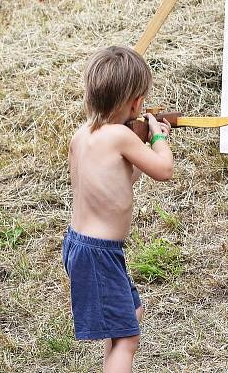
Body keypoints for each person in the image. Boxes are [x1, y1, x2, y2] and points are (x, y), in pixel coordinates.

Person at [63, 46, 174, 373]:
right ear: (136, 102)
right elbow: (164, 170)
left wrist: (143, 149)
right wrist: (159, 139)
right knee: (127, 339)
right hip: (99, 253)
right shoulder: (119, 137)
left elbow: (120, 179)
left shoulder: (82, 136)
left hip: (82, 246)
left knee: (130, 315)